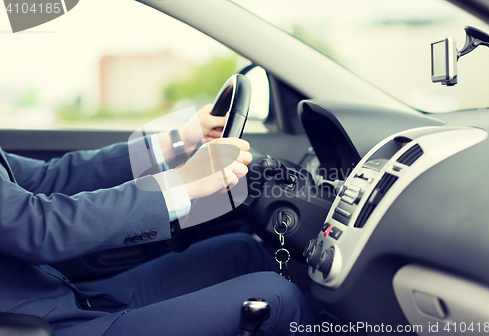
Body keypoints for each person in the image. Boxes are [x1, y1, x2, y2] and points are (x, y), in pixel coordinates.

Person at [0, 105, 320, 336]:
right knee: (276, 298)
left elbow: (47, 178)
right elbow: (35, 226)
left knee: (241, 252)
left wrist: (180, 140)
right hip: (45, 324)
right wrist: (181, 183)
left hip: (59, 297)